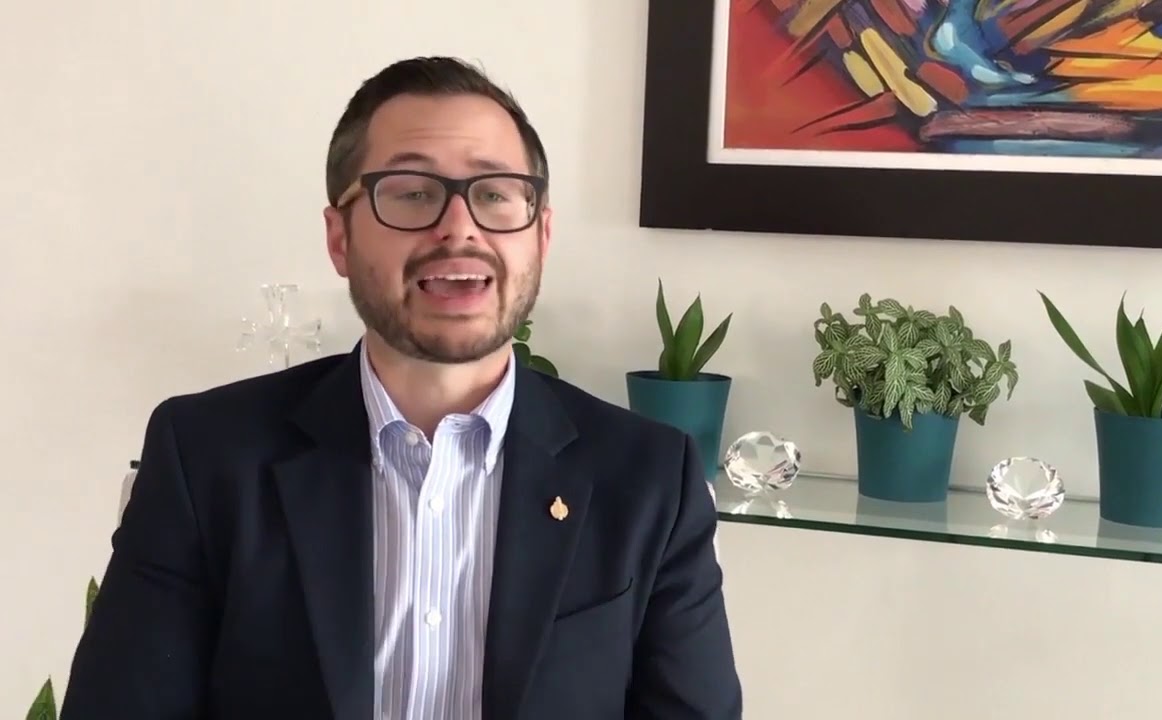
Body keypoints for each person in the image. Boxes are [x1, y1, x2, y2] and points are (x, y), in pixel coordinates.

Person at [61, 56, 742, 719]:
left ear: (540, 236)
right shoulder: (206, 456)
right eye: (412, 193)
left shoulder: (651, 478)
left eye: (496, 193)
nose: (459, 227)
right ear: (340, 239)